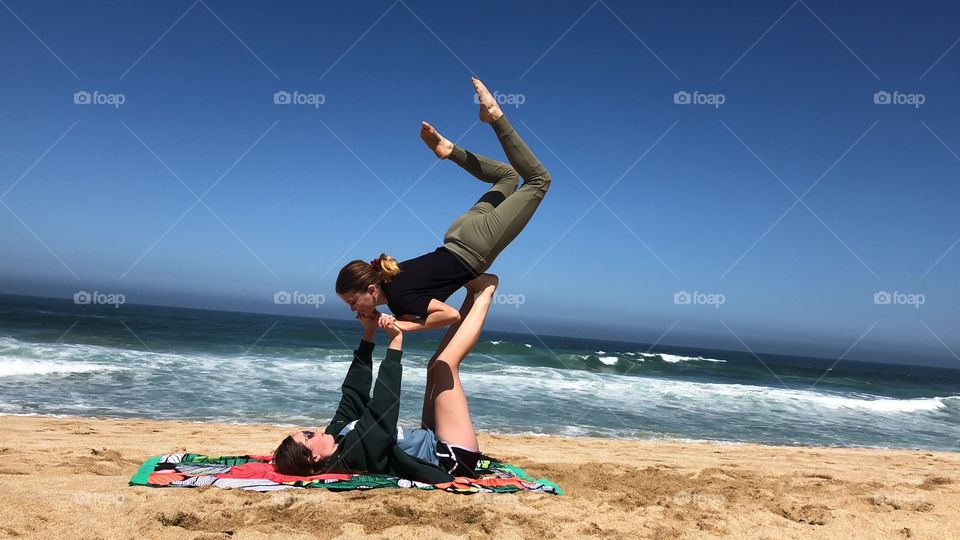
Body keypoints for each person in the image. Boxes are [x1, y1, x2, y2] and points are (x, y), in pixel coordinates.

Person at [336, 77, 550, 333]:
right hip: (457, 234)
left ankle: (495, 117)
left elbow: (449, 315)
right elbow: (410, 303)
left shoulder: (399, 300)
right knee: (509, 176)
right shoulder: (393, 284)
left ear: (371, 290)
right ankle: (450, 150)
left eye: (352, 302)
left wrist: (404, 327)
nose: (352, 309)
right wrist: (385, 319)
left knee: (539, 180)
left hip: (474, 247)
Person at [272, 278, 498, 482]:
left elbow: (352, 394)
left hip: (431, 437)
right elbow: (383, 407)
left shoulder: (337, 433)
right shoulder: (354, 455)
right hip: (450, 457)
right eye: (308, 436)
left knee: (433, 367)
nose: (313, 429)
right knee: (445, 364)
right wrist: (396, 341)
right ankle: (486, 291)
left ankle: (472, 293)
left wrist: (368, 335)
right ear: (314, 457)